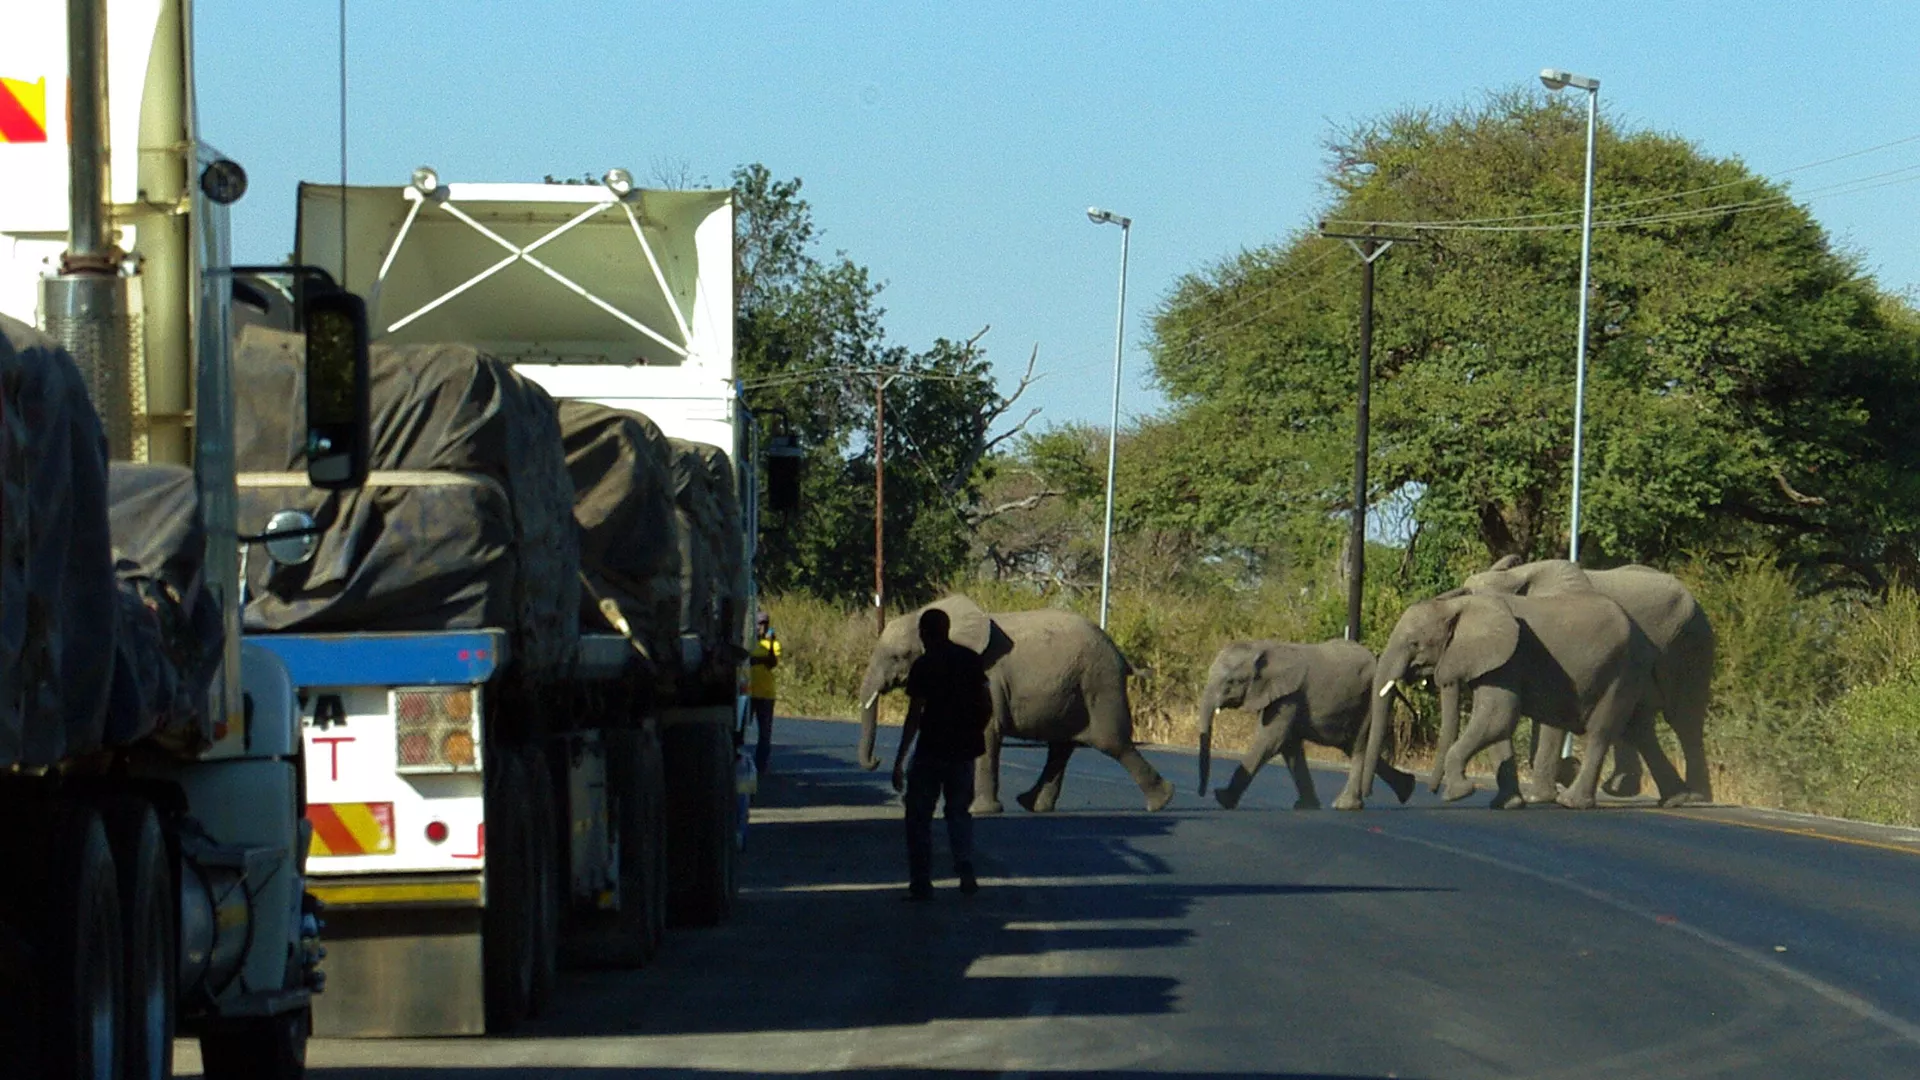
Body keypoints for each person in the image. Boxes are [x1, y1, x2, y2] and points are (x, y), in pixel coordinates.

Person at [892, 608, 992, 901]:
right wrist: (975, 730)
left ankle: (921, 881)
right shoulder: (971, 660)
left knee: (919, 815)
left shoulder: (924, 665)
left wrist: (900, 759)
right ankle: (964, 866)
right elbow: (987, 704)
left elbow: (914, 714)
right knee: (959, 811)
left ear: (924, 634)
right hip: (963, 751)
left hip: (931, 750)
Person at [748, 611, 780, 776]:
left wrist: (771, 641)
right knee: (742, 730)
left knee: (765, 733)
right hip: (749, 692)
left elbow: (772, 662)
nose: (762, 626)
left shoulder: (772, 643)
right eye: (760, 623)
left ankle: (762, 765)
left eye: (765, 623)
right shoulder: (749, 642)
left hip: (766, 692)